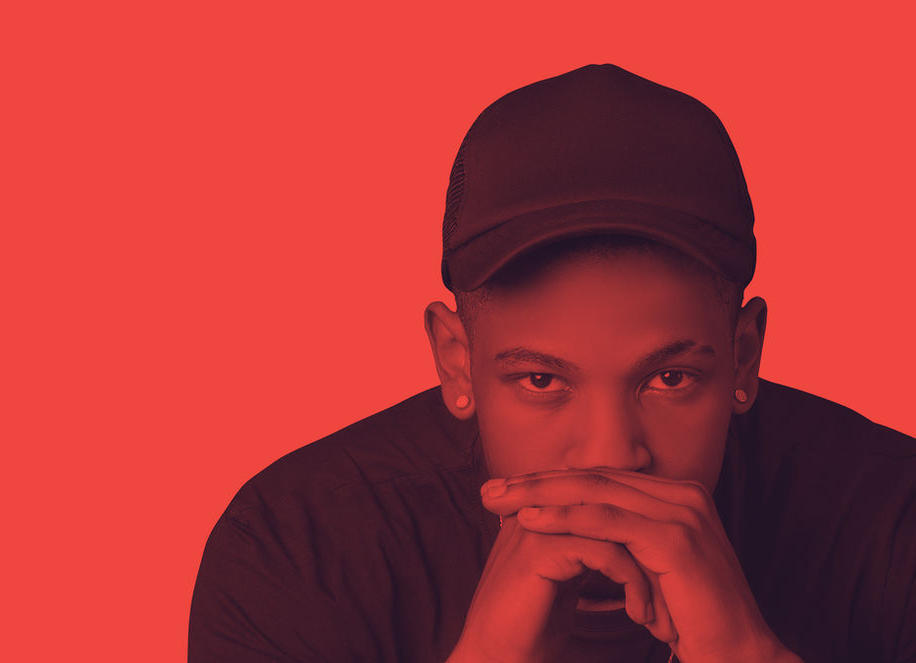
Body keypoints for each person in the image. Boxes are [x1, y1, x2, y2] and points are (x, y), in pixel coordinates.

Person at [188, 64, 916, 663]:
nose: (610, 452)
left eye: (670, 378)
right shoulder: (296, 548)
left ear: (744, 355)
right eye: (542, 380)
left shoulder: (892, 520)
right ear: (458, 362)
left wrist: (746, 654)